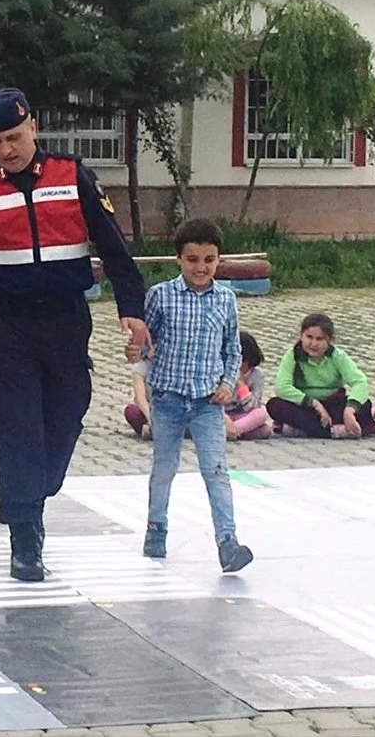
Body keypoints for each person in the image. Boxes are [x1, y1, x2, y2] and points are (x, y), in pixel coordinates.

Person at [0, 87, 148, 581]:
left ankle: (37, 489)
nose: (6, 149)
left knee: (69, 412)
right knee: (20, 431)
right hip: (5, 326)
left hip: (65, 321)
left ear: (34, 128)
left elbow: (114, 247)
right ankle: (25, 536)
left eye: (13, 137)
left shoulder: (73, 177)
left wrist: (132, 308)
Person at [138, 217, 253, 572]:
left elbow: (232, 350)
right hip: (168, 399)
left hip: (207, 402)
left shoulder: (225, 300)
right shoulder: (161, 296)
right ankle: (157, 528)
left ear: (219, 260)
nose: (200, 267)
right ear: (179, 260)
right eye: (192, 260)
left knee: (216, 470)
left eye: (209, 260)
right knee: (164, 467)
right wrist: (142, 351)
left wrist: (226, 382)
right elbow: (146, 342)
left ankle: (227, 541)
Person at [266, 313, 375, 439]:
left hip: (333, 404)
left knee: (364, 405)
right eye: (309, 337)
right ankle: (334, 432)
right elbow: (281, 387)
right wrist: (313, 403)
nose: (314, 344)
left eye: (320, 339)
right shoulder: (292, 356)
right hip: (306, 407)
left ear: (330, 340)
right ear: (301, 336)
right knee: (274, 405)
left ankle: (304, 430)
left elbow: (360, 381)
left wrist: (349, 411)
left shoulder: (338, 357)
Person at [225, 332, 273, 441]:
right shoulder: (221, 372)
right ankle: (230, 432)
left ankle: (231, 432)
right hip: (222, 415)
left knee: (262, 419)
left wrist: (241, 384)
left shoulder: (257, 376)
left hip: (242, 416)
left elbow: (252, 406)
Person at [124, 353, 152, 440]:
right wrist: (151, 420)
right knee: (131, 412)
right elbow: (140, 398)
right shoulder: (141, 367)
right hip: (150, 410)